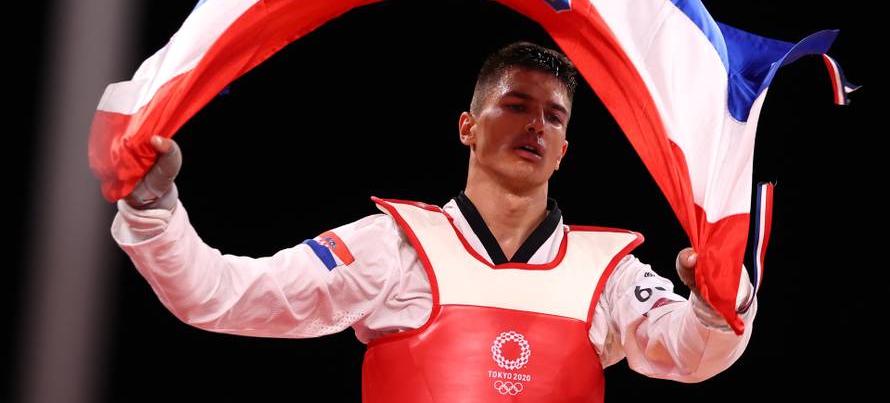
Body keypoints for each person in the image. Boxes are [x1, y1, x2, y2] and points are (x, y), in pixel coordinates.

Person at [111, 41, 756, 401]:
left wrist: (721, 296)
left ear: (565, 151)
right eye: (516, 104)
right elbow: (222, 297)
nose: (536, 124)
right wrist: (153, 211)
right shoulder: (393, 248)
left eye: (554, 117)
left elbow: (695, 351)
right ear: (467, 128)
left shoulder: (608, 276)